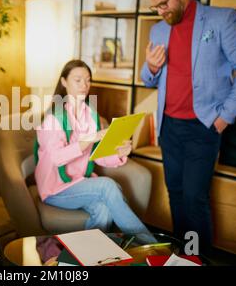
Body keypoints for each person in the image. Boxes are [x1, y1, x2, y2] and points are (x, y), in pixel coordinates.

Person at [141, 0, 236, 252]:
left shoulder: (220, 19)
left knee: (195, 198)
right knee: (177, 194)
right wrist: (152, 68)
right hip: (169, 127)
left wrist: (223, 118)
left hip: (203, 126)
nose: (160, 11)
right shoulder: (158, 29)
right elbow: (149, 79)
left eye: (163, 3)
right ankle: (184, 254)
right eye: (154, 7)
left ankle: (198, 259)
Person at [35, 59, 157, 244]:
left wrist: (120, 152)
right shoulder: (53, 119)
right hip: (55, 189)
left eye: (88, 79)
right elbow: (57, 158)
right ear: (64, 82)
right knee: (106, 185)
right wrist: (90, 138)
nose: (84, 85)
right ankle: (150, 246)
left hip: (81, 183)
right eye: (78, 80)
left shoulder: (90, 115)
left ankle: (83, 258)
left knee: (104, 210)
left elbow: (98, 156)